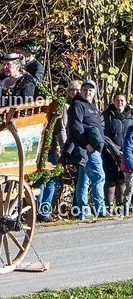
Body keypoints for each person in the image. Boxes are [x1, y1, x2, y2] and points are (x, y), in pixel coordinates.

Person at [36, 80, 82, 221]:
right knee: (46, 179)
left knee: (51, 180)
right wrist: (64, 148)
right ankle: (41, 211)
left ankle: (44, 210)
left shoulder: (83, 106)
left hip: (67, 146)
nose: (74, 92)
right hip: (52, 147)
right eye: (72, 90)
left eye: (77, 90)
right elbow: (61, 129)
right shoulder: (63, 107)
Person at [67, 80, 106, 219]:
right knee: (99, 178)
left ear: (94, 92)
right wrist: (87, 145)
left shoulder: (91, 106)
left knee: (84, 180)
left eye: (90, 90)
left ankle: (83, 212)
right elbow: (76, 127)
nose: (87, 92)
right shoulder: (77, 105)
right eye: (85, 89)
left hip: (93, 149)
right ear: (81, 91)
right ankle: (101, 210)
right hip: (87, 149)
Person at [102, 92, 132, 210]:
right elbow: (102, 134)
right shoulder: (106, 115)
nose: (120, 102)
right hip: (110, 152)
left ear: (126, 102)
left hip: (127, 154)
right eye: (117, 100)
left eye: (122, 100)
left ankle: (121, 207)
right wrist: (115, 150)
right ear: (113, 101)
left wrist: (126, 152)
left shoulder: (131, 116)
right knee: (111, 180)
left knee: (123, 180)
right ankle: (109, 207)